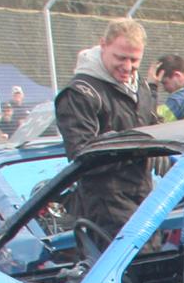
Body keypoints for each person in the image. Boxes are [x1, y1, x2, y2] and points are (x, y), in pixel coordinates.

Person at [54, 17, 156, 243]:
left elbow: (152, 125)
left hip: (144, 192)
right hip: (106, 202)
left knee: (156, 257)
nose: (127, 67)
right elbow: (81, 154)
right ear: (103, 45)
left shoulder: (140, 86)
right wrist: (133, 148)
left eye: (134, 60)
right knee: (135, 259)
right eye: (120, 58)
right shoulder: (80, 93)